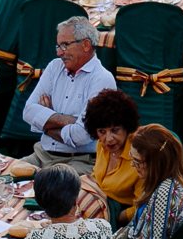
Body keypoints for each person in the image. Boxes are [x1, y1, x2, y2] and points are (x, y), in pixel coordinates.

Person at [21, 15, 118, 168]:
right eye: (58, 46)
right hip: (42, 155)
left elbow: (81, 135)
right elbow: (27, 112)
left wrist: (45, 122)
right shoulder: (55, 67)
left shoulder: (102, 79)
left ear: (86, 45)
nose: (59, 53)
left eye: (65, 45)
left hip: (80, 161)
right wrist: (70, 120)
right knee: (2, 176)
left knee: (47, 186)